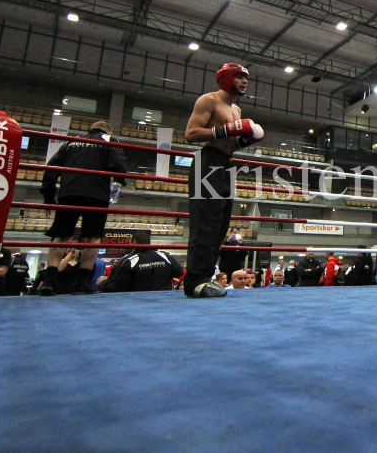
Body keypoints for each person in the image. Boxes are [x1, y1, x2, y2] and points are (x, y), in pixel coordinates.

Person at [183, 63, 265, 298]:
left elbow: (232, 142)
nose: (244, 81)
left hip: (226, 165)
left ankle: (205, 277)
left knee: (220, 224)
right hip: (207, 162)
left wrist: (247, 140)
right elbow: (191, 134)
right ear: (226, 79)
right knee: (205, 223)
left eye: (246, 77)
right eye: (239, 77)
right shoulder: (208, 101)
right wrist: (225, 130)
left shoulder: (236, 111)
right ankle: (195, 280)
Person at [40, 121, 128, 295]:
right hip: (96, 195)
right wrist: (121, 178)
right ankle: (81, 285)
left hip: (69, 192)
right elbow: (117, 164)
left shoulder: (71, 141)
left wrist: (49, 197)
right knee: (93, 239)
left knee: (61, 237)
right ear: (108, 130)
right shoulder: (109, 139)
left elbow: (51, 168)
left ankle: (49, 282)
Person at [97, 232, 181, 292]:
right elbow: (179, 272)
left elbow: (116, 288)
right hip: (166, 300)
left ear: (134, 242)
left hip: (138, 302)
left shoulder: (128, 261)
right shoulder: (164, 256)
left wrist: (103, 283)